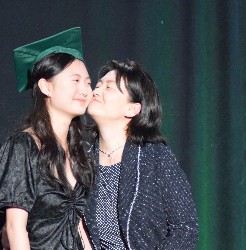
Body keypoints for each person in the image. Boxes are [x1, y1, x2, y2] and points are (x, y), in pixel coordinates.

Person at [84, 60, 199, 249]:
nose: (96, 92)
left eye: (109, 88)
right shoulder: (82, 158)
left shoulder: (155, 156)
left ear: (132, 109)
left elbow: (186, 228)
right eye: (97, 86)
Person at [0, 27, 94, 250]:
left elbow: (80, 227)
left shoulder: (81, 151)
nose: (85, 89)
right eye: (75, 80)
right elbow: (15, 228)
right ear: (45, 86)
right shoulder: (23, 146)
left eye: (88, 83)